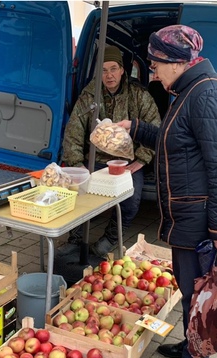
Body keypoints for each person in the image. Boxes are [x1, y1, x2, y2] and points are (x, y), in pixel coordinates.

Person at [117, 25, 217, 358]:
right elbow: (179, 140)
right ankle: (191, 343)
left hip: (203, 218)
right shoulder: (191, 92)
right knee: (189, 287)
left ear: (176, 62)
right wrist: (138, 128)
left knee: (200, 291)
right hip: (188, 214)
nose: (153, 74)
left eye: (156, 65)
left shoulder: (209, 96)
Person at [60, 45, 161, 258]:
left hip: (126, 163)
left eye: (113, 68)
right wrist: (77, 163)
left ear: (123, 70)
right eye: (104, 70)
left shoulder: (138, 95)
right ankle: (76, 238)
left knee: (131, 199)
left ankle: (110, 239)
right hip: (95, 159)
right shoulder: (90, 95)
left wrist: (140, 162)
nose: (109, 75)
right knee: (79, 193)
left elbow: (155, 129)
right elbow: (74, 130)